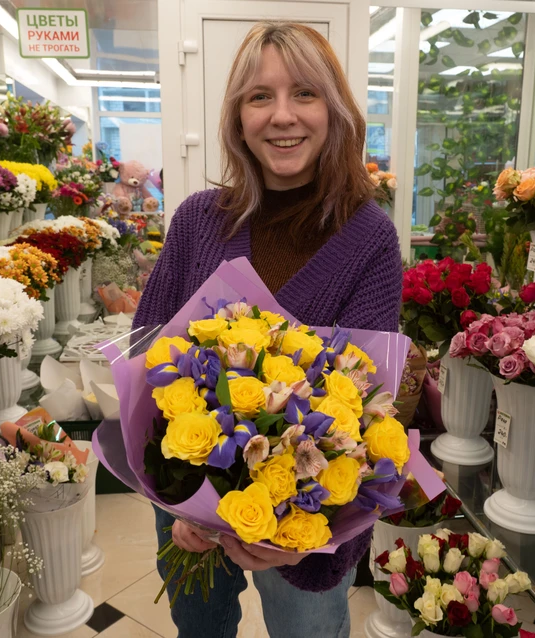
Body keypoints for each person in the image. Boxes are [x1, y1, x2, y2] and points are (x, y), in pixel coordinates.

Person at [132, 21, 402, 637]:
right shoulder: (199, 221)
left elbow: (370, 403)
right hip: (191, 496)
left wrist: (306, 539)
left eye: (304, 93)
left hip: (306, 513)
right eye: (260, 97)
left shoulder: (367, 237)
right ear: (238, 117)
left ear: (333, 110)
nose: (282, 116)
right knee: (199, 624)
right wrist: (169, 490)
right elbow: (146, 353)